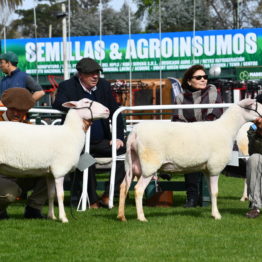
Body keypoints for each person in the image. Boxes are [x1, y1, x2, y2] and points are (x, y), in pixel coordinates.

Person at [52, 57, 126, 208]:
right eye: (90, 73)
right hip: (77, 144)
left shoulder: (104, 86)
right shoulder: (67, 86)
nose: (95, 76)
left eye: (97, 72)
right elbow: (58, 103)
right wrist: (80, 108)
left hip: (101, 141)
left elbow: (116, 111)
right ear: (80, 74)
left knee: (127, 153)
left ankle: (109, 194)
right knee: (86, 160)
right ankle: (92, 200)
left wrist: (118, 137)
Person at [172, 64, 223, 208]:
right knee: (190, 156)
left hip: (211, 139)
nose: (203, 80)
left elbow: (213, 115)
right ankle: (192, 198)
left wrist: (198, 132)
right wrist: (192, 134)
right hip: (188, 139)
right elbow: (178, 121)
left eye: (205, 77)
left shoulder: (212, 91)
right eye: (198, 77)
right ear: (189, 81)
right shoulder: (180, 98)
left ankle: (206, 198)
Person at [0, 88, 48, 219]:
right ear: (7, 107)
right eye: (13, 109)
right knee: (8, 193)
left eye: (21, 110)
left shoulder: (29, 127)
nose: (16, 113)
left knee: (53, 172)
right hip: (2, 175)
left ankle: (34, 208)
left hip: (23, 173)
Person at [245, 94, 262, 218]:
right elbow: (253, 150)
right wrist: (259, 132)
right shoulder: (254, 127)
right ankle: (255, 206)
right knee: (254, 159)